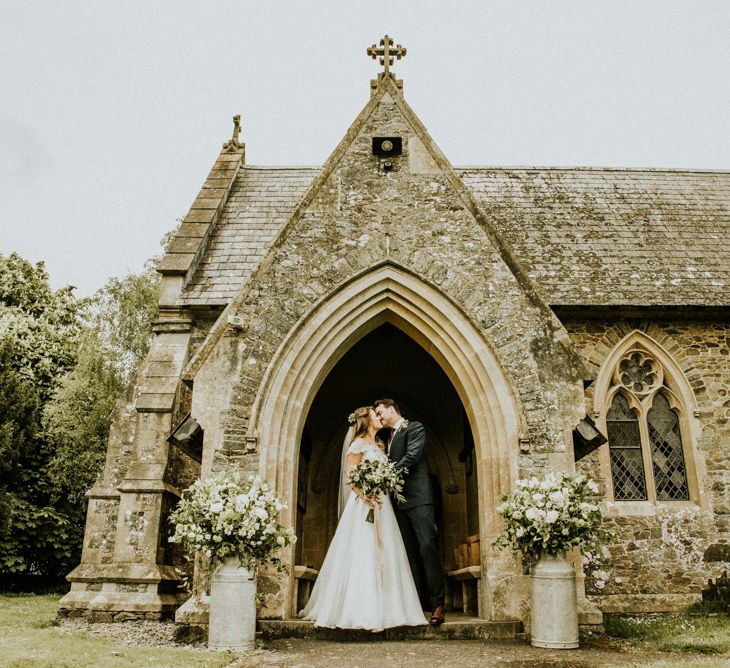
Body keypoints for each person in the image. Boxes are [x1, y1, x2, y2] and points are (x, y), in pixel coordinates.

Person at [300, 406, 427, 631]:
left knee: (388, 552)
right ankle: (360, 610)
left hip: (383, 504)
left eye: (380, 414)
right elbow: (351, 476)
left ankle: (391, 609)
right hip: (364, 505)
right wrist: (364, 495)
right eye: (375, 415)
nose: (379, 417)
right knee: (362, 551)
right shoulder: (357, 445)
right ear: (366, 420)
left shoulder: (380, 445)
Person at [373, 398, 446, 626]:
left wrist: (387, 473)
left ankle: (437, 606)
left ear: (392, 409)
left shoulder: (414, 428)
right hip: (398, 503)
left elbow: (413, 456)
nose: (379, 417)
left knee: (427, 548)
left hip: (419, 500)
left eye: (381, 412)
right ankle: (412, 606)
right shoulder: (386, 438)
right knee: (406, 555)